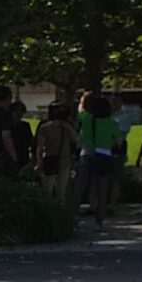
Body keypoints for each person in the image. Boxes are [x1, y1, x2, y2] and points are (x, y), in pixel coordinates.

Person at [77, 92, 125, 227]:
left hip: (87, 154)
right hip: (104, 155)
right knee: (102, 190)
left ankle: (72, 216)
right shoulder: (111, 123)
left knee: (81, 187)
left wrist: (83, 100)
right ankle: (100, 220)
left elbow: (80, 110)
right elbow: (118, 141)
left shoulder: (86, 118)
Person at [34, 99, 76, 199]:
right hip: (55, 159)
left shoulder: (45, 126)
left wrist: (39, 161)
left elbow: (39, 147)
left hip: (55, 159)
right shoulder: (47, 127)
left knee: (50, 190)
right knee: (57, 190)